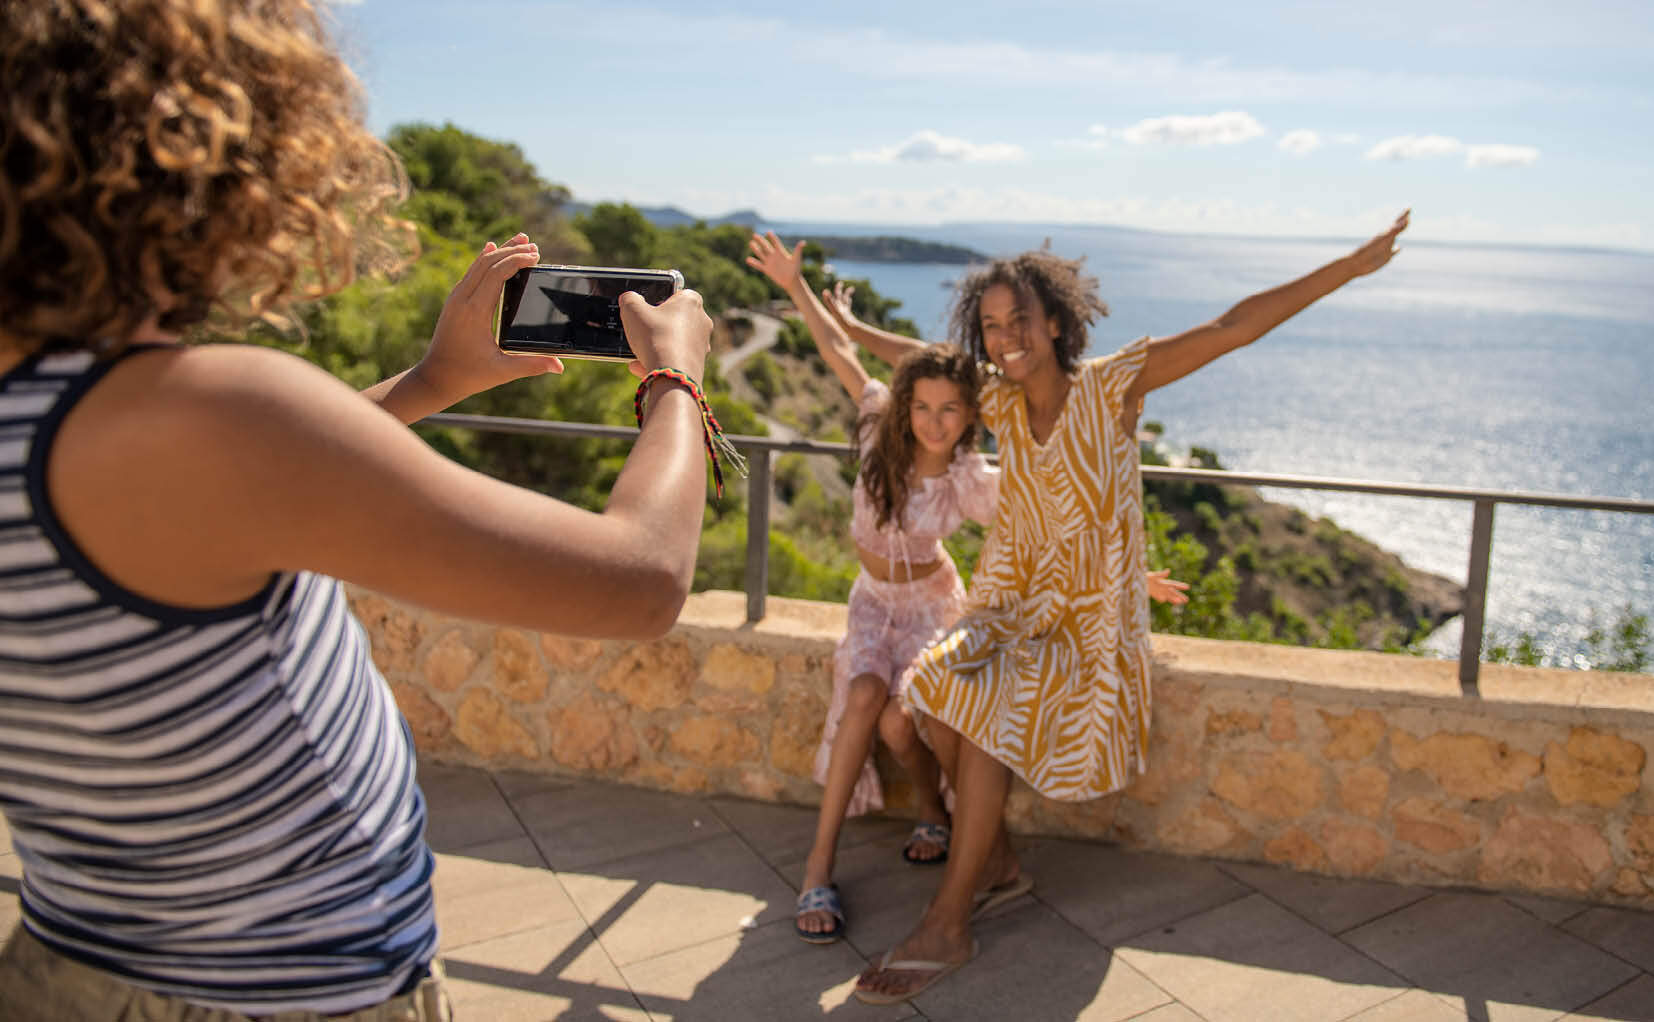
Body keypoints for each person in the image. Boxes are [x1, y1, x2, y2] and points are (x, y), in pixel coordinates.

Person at [0, 1, 722, 1018]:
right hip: (288, 990)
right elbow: (641, 577)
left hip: (71, 964)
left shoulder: (62, 419)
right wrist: (676, 381)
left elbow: (238, 495)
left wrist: (431, 380)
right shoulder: (213, 412)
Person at [818, 214, 1411, 1004]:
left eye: (1018, 321)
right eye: (991, 327)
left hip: (1084, 624)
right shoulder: (992, 399)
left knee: (987, 715)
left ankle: (950, 919)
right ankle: (993, 859)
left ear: (1055, 322)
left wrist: (1347, 266)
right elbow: (916, 366)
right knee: (931, 695)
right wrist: (851, 325)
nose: (1004, 339)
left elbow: (1232, 326)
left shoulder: (1110, 387)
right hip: (1011, 605)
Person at [745, 234, 1188, 946]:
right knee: (866, 698)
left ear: (970, 419)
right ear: (906, 406)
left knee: (902, 718)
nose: (936, 420)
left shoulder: (965, 480)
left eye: (953, 411)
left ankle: (941, 821)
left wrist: (1130, 572)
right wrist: (799, 291)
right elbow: (846, 355)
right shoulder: (873, 429)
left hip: (929, 604)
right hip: (871, 604)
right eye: (924, 407)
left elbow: (1064, 509)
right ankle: (822, 865)